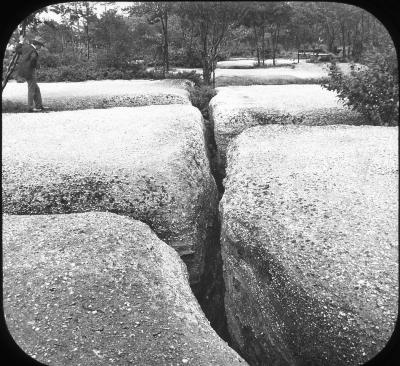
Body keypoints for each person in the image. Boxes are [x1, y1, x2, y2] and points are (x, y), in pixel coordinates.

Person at [15, 36, 48, 112]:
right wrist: (36, 66)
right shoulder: (33, 51)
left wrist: (20, 42)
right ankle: (30, 108)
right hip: (30, 72)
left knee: (36, 89)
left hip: (24, 71)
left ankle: (39, 106)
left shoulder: (26, 47)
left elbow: (17, 50)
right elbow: (33, 59)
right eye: (40, 46)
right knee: (31, 89)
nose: (40, 47)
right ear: (37, 45)